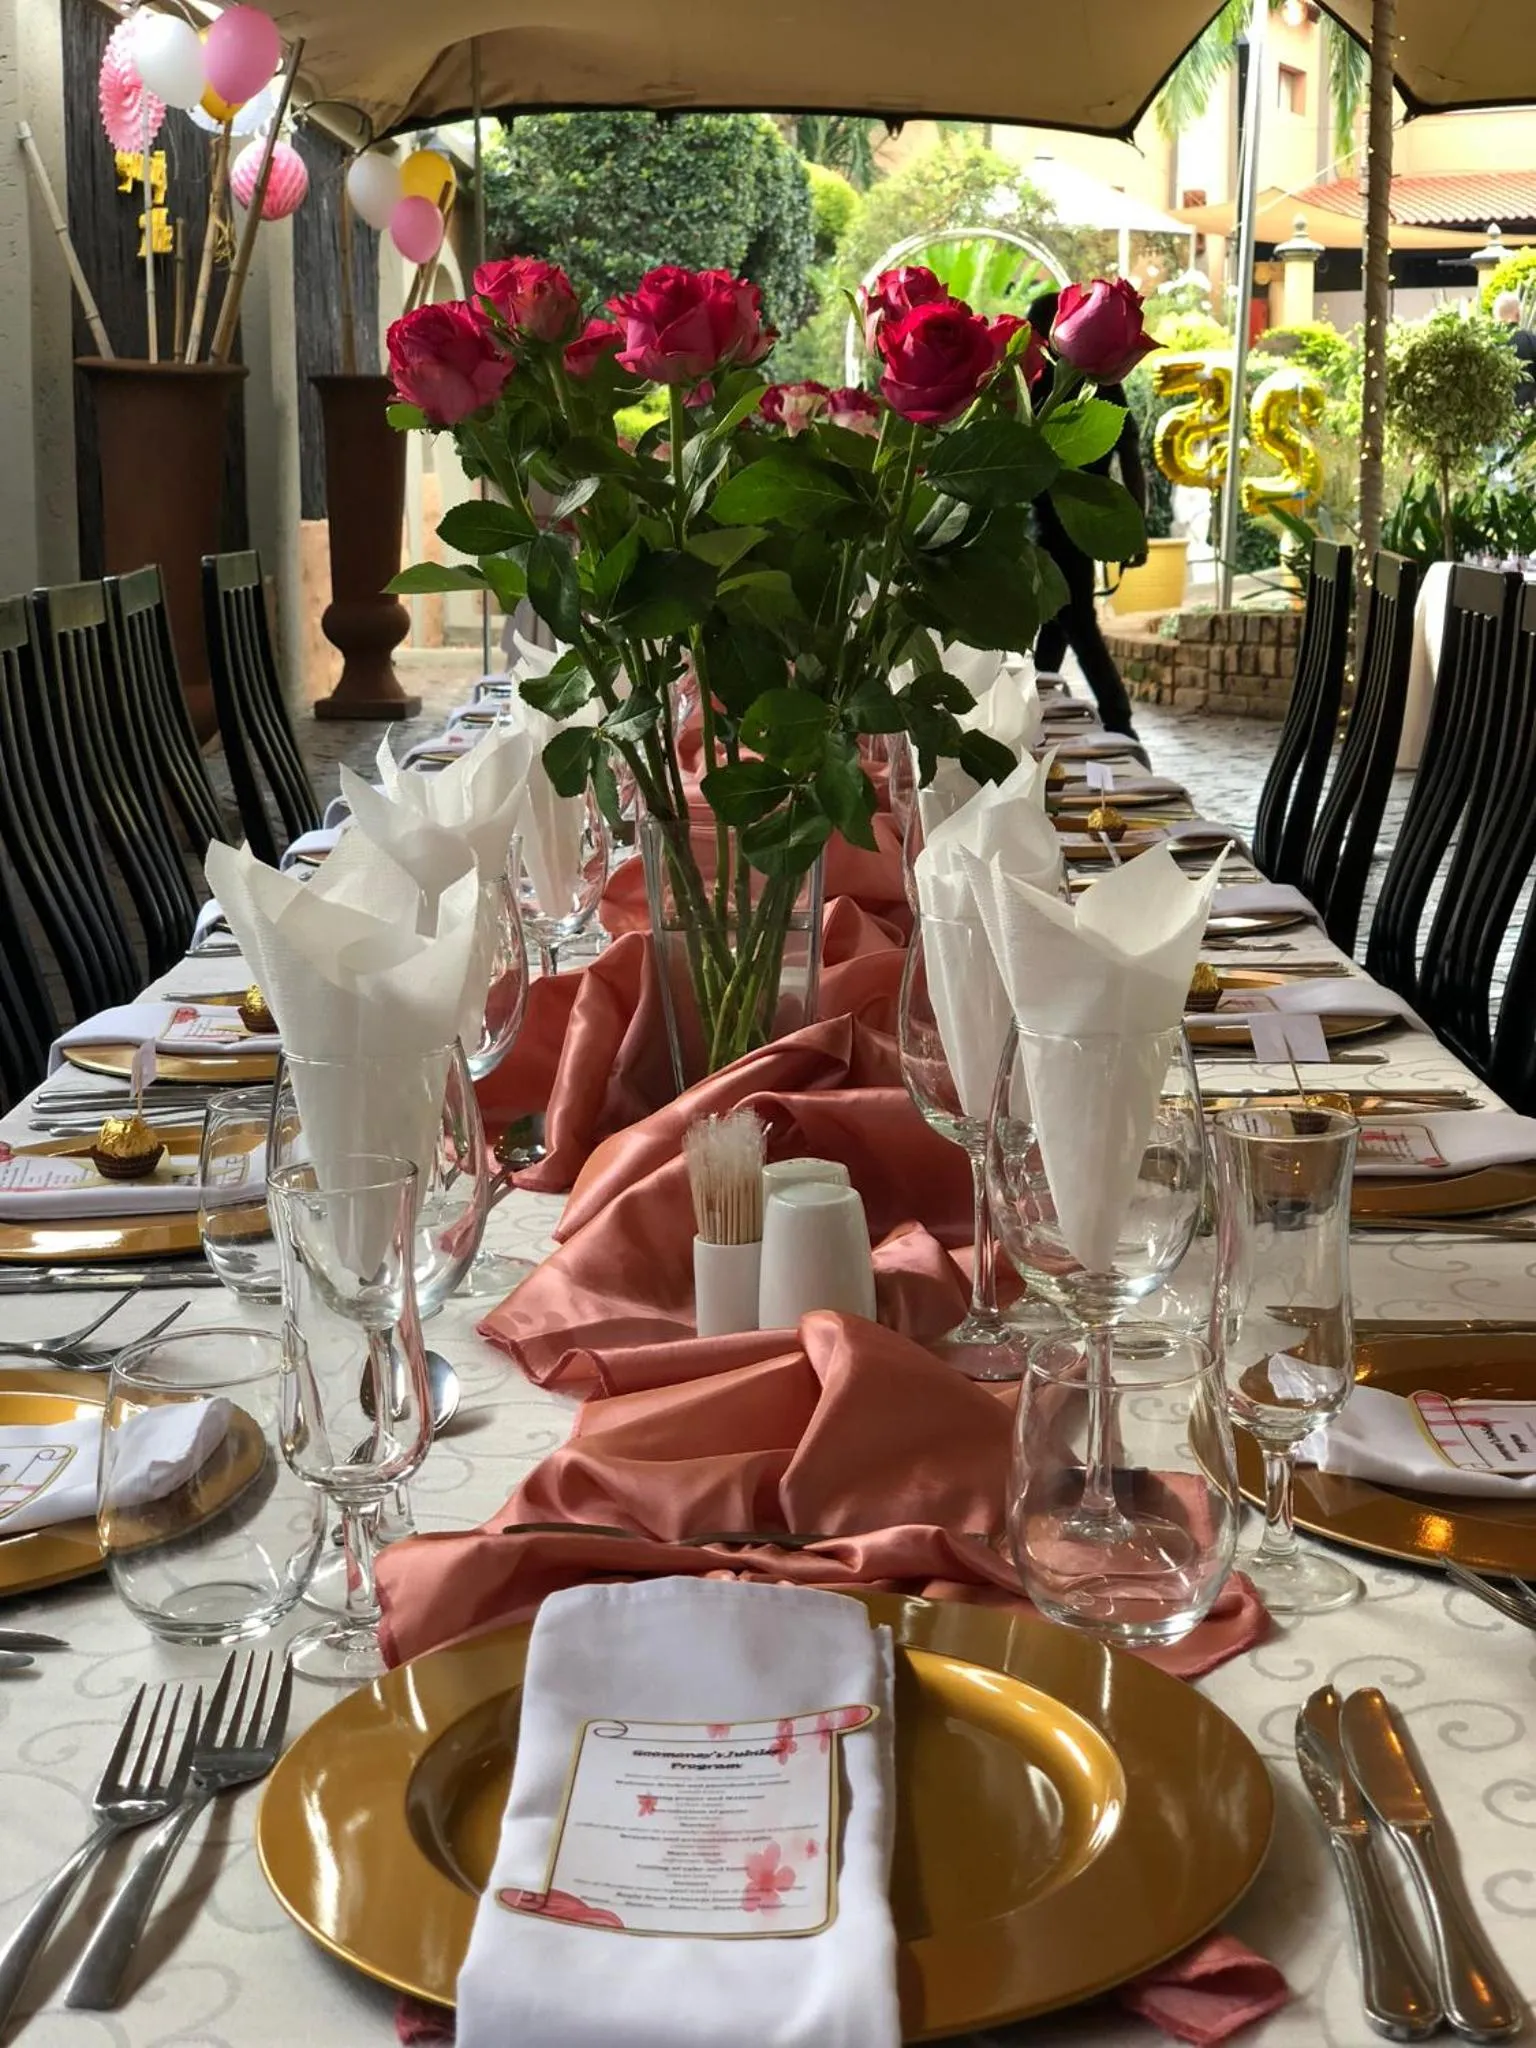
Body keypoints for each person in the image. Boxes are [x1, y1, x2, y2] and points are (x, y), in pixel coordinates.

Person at [1026, 289, 1146, 737]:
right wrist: (1138, 524)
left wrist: (1134, 529)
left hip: (1066, 523)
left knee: (1075, 624)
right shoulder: (1097, 381)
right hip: (1073, 520)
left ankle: (1118, 717)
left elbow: (1127, 451)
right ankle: (1037, 710)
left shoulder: (1048, 383)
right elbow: (1130, 456)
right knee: (1059, 626)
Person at [1493, 291, 1536, 411]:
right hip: (1524, 416)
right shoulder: (1530, 340)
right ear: (1518, 314)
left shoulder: (1486, 342)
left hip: (1491, 417)